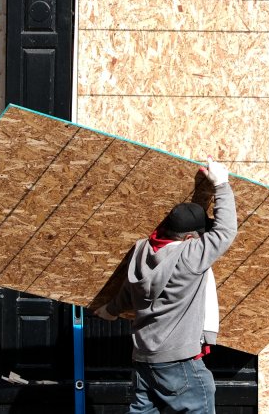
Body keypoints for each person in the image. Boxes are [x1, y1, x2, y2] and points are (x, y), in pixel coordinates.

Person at [94, 158, 237, 414]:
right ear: (191, 238)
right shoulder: (189, 256)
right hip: (180, 364)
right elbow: (225, 232)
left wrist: (111, 310)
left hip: (144, 360)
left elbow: (129, 291)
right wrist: (222, 184)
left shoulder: (141, 251)